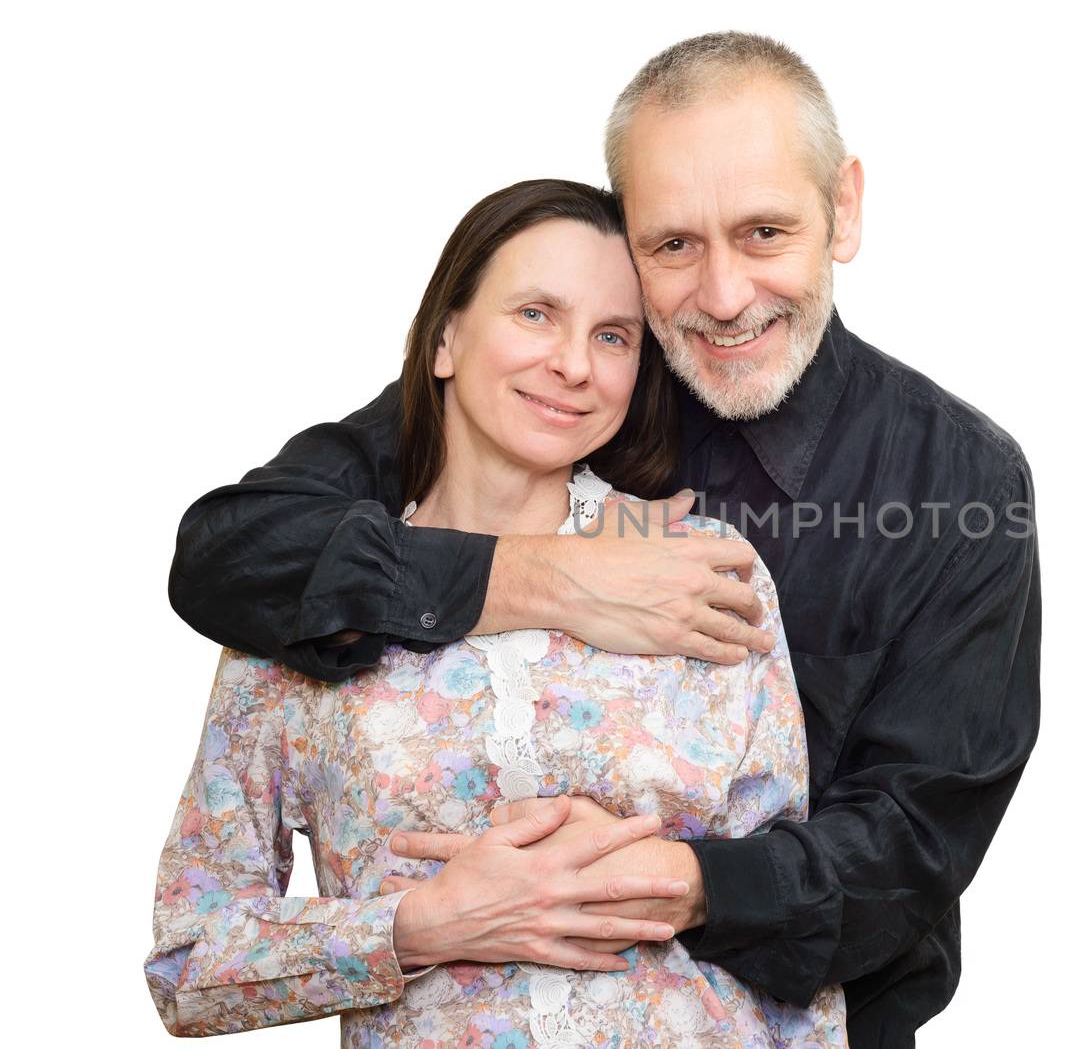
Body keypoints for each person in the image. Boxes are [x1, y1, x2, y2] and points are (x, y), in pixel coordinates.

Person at [170, 32, 1042, 1048]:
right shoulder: (555, 388)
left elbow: (917, 842)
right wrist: (544, 578)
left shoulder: (955, 482)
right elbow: (234, 552)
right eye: (672, 245)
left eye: (764, 232)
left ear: (842, 210)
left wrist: (673, 883)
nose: (721, 297)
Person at [146, 179, 849, 1046]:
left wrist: (670, 878)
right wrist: (418, 927)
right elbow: (188, 965)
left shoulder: (702, 568)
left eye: (613, 336)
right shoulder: (309, 600)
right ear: (445, 337)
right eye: (535, 314)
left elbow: (798, 931)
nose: (574, 364)